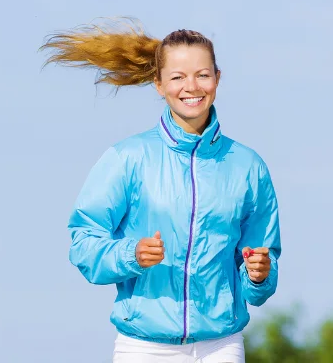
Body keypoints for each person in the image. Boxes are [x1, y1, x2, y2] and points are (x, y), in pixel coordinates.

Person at [41, 18, 282, 363]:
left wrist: (259, 274)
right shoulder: (127, 158)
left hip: (222, 347)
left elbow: (260, 270)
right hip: (144, 347)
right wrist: (132, 254)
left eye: (202, 74)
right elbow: (83, 243)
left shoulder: (247, 166)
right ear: (158, 85)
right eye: (178, 77)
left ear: (217, 78)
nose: (192, 86)